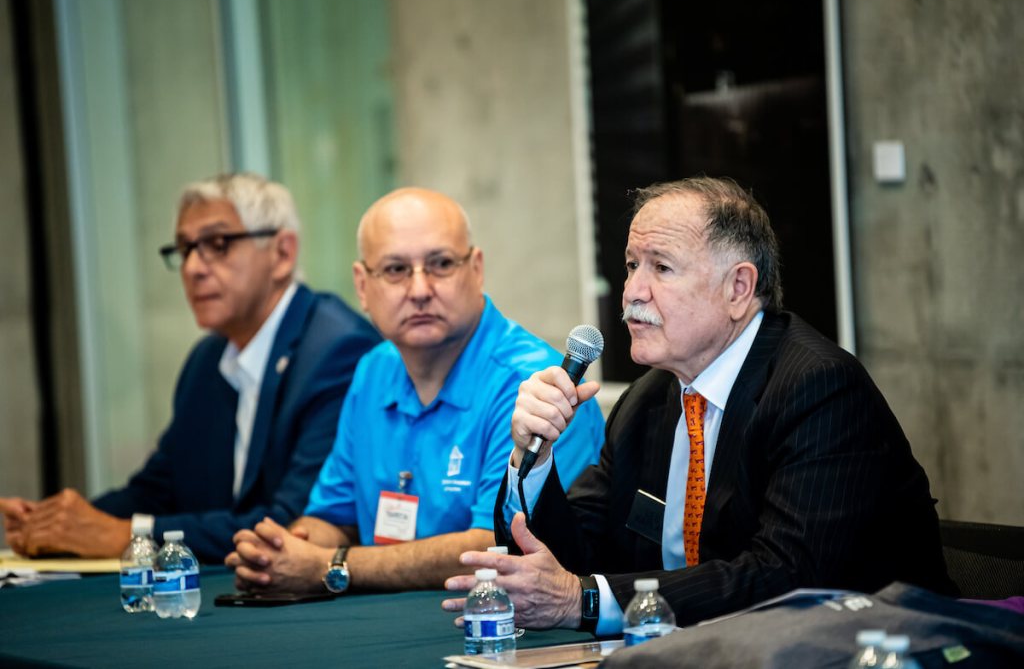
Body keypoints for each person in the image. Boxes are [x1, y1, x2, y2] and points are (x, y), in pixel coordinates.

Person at [443, 176, 955, 633]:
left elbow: (787, 578)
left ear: (738, 288)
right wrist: (533, 458)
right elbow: (576, 558)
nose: (632, 293)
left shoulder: (818, 388)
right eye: (631, 265)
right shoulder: (650, 399)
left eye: (661, 268)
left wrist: (587, 601)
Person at [225, 187, 604, 594]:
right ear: (362, 285)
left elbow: (495, 545)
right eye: (395, 269)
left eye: (440, 264)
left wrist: (330, 566)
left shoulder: (535, 385)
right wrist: (281, 551)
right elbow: (335, 518)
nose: (420, 289)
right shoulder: (373, 369)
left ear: (476, 269)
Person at [0, 173, 379, 562]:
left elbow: (293, 525)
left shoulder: (339, 351)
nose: (194, 267)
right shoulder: (207, 359)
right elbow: (159, 488)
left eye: (218, 245)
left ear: (282, 253)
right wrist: (60, 524)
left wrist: (126, 536)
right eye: (185, 249)